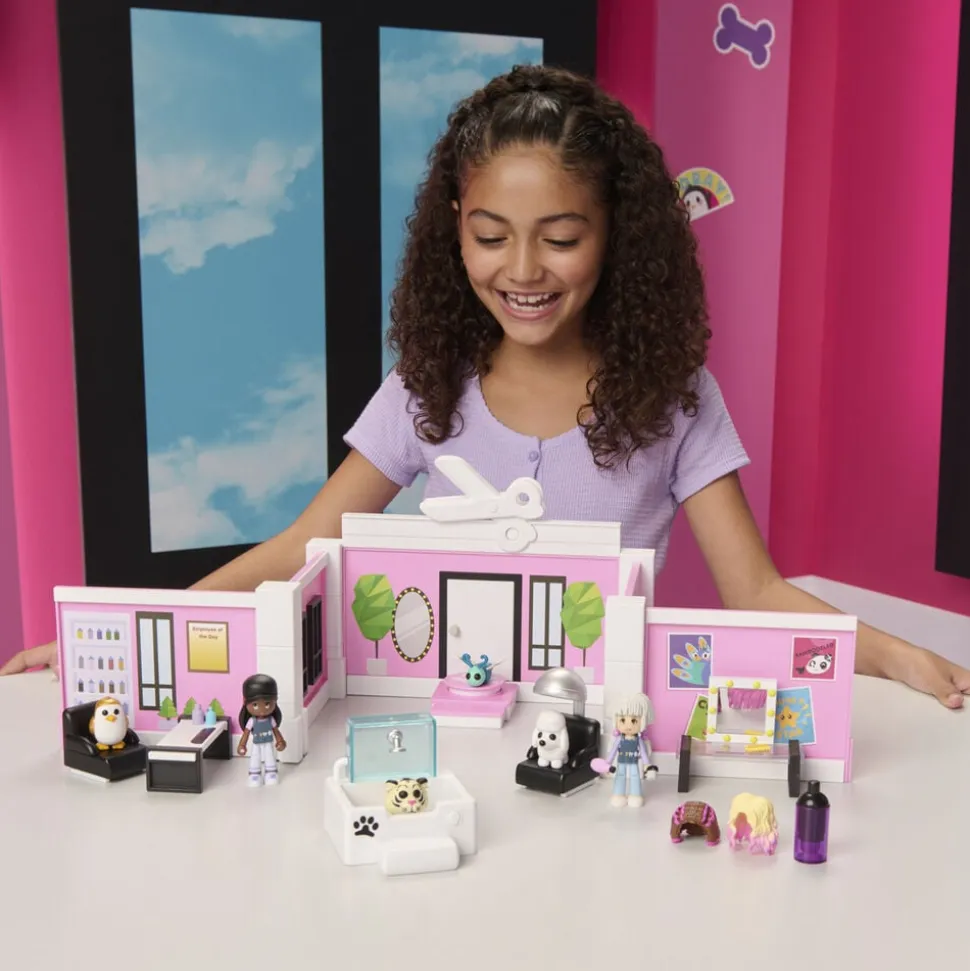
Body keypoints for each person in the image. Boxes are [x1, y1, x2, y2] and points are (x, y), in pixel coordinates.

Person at [3, 65, 968, 708]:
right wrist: (124, 635)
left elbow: (753, 589)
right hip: (445, 732)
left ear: (616, 235)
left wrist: (900, 656)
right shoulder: (428, 386)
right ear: (455, 226)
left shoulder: (675, 397)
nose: (524, 270)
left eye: (562, 237)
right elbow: (302, 545)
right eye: (491, 236)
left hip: (605, 737)